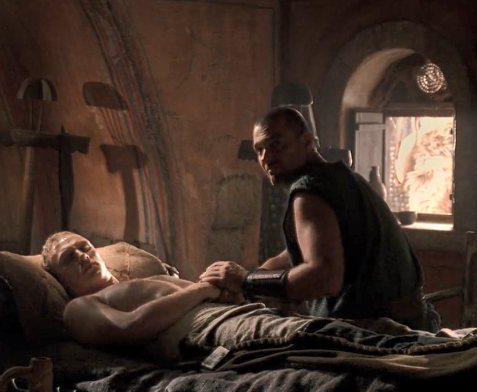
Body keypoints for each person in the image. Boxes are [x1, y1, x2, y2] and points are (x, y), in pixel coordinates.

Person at [199, 106, 441, 332]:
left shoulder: (310, 192)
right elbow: (304, 250)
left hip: (379, 334)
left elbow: (324, 277)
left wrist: (247, 280)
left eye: (276, 145)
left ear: (307, 141)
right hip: (416, 321)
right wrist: (253, 277)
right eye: (259, 150)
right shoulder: (343, 178)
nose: (266, 158)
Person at [40, 231, 447, 363]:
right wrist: (204, 288)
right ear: (58, 277)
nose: (83, 256)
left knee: (365, 328)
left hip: (239, 315)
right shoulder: (80, 308)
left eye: (84, 247)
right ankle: (443, 355)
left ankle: (447, 345)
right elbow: (131, 326)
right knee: (328, 341)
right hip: (209, 334)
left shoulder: (144, 279)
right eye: (69, 258)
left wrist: (232, 289)